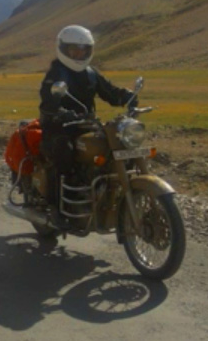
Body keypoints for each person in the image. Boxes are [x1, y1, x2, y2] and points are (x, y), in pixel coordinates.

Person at [38, 25, 136, 229]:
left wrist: (127, 96)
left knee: (117, 147)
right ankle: (54, 209)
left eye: (84, 50)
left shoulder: (91, 73)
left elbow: (110, 92)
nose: (79, 54)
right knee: (64, 152)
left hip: (86, 126)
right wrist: (59, 111)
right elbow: (48, 102)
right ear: (63, 49)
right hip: (58, 128)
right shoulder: (55, 73)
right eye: (74, 50)